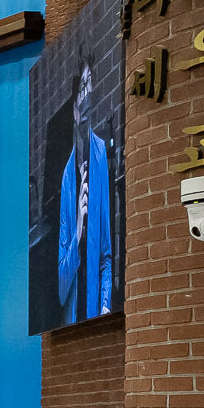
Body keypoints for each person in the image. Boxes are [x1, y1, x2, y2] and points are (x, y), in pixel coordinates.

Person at [57, 60, 115, 325]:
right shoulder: (68, 177)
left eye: (91, 84)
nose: (88, 92)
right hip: (74, 317)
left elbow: (106, 254)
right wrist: (78, 231)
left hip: (97, 313)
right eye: (82, 87)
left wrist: (105, 306)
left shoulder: (100, 155)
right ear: (74, 110)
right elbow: (60, 287)